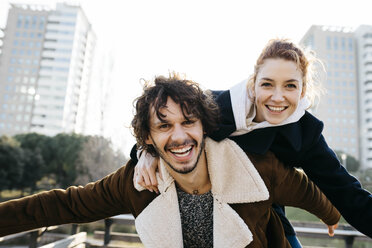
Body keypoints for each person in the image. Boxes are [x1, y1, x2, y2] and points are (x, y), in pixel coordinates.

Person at [0, 74, 340, 248]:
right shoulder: (135, 181)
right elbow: (64, 205)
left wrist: (332, 214)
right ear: (147, 138)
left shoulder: (255, 167)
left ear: (204, 126)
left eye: (188, 122)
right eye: (164, 126)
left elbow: (306, 191)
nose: (178, 137)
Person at [133, 39, 372, 246]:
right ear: (253, 83)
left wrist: (331, 213)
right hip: (202, 210)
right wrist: (146, 153)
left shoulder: (305, 134)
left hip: (263, 212)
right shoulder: (215, 106)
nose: (277, 97)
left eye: (290, 85)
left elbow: (348, 193)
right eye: (267, 84)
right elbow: (166, 131)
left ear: (302, 92)